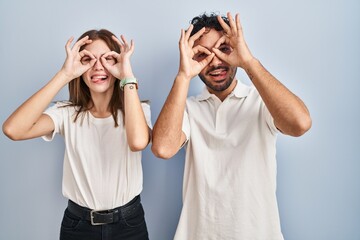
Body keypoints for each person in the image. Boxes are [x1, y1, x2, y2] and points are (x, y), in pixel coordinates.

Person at [151, 12, 312, 240]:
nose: (215, 61)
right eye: (203, 54)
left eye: (223, 49)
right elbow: (163, 149)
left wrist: (248, 62)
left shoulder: (261, 101)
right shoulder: (187, 109)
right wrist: (183, 76)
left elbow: (301, 124)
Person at [2, 29, 151, 240]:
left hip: (129, 223)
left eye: (108, 58)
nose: (98, 66)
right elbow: (13, 130)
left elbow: (138, 142)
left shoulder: (137, 108)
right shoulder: (66, 113)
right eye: (88, 59)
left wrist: (127, 76)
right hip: (79, 225)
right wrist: (65, 74)